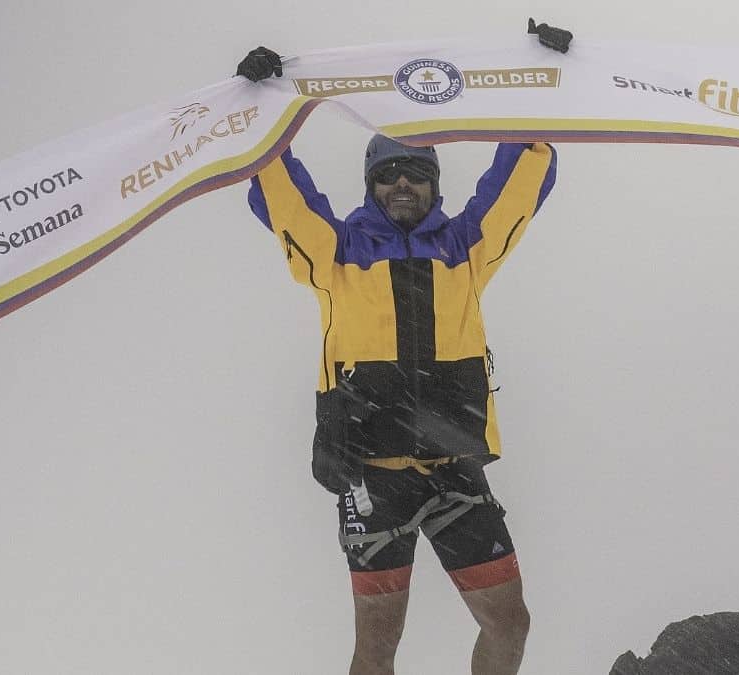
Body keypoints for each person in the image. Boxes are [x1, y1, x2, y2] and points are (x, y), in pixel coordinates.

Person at [237, 20, 570, 675]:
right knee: (377, 648)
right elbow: (279, 194)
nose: (401, 185)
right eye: (388, 174)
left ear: (432, 183)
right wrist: (263, 106)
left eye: (415, 173)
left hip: (455, 469)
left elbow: (524, 172)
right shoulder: (336, 256)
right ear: (371, 185)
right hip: (373, 472)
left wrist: (541, 80)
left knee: (510, 621)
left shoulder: (466, 251)